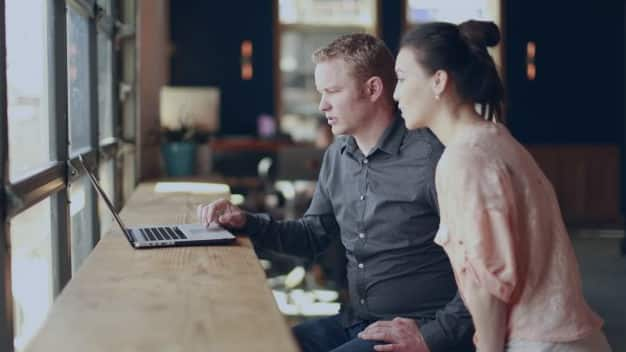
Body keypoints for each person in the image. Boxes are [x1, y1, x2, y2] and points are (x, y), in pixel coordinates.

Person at [197, 33, 474, 352]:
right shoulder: (337, 154)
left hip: (416, 330)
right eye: (320, 93)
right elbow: (313, 235)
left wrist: (433, 336)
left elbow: (480, 269)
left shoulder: (432, 159)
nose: (322, 105)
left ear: (372, 89)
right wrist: (246, 223)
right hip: (356, 321)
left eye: (332, 91)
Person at [360, 21, 612, 352]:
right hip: (569, 336)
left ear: (439, 81)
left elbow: (488, 281)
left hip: (539, 343)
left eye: (403, 79)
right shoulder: (495, 139)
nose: (395, 93)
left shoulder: (463, 160)